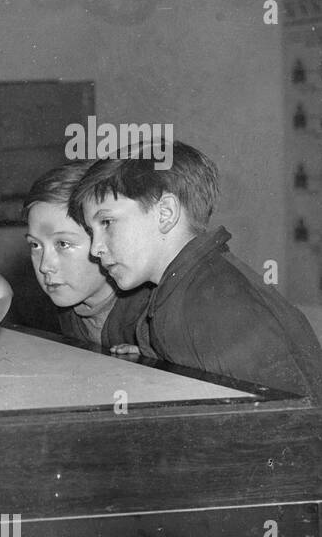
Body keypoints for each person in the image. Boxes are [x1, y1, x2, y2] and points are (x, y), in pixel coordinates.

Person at [69, 142, 322, 399]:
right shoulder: (190, 284)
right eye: (92, 232)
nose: (95, 248)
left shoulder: (212, 302)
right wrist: (158, 360)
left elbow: (284, 418)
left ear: (165, 213)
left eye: (107, 222)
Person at [23, 161, 150, 349]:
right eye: (35, 245)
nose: (44, 266)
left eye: (63, 244)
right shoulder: (68, 307)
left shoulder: (152, 314)